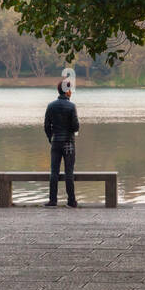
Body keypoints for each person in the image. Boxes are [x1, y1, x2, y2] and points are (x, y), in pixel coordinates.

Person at [44, 76, 79, 207]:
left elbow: (46, 126)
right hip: (68, 142)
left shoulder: (51, 106)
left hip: (56, 142)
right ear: (67, 91)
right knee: (69, 172)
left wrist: (50, 138)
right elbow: (76, 127)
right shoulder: (71, 106)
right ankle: (71, 201)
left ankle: (53, 200)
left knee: (54, 172)